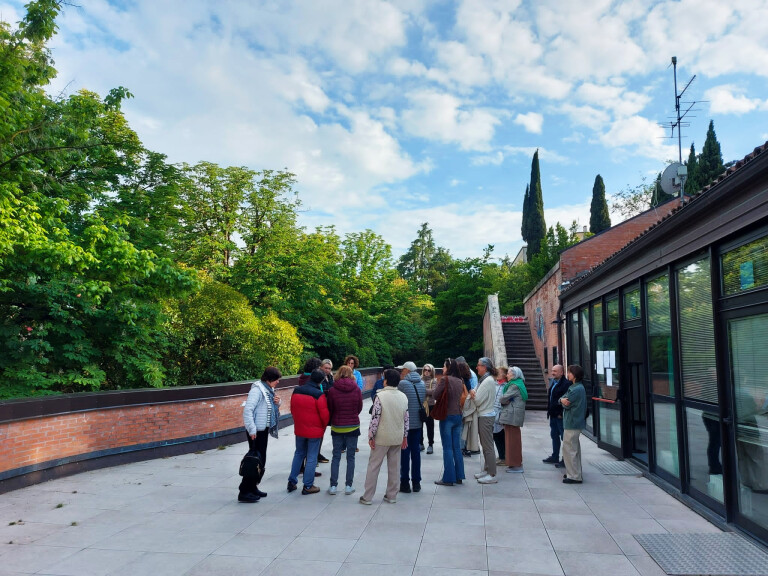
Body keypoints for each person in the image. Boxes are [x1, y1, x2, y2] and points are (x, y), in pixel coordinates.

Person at [360, 369, 409, 505]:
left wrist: (371, 436)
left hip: (382, 437)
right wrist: (405, 435)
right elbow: (406, 419)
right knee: (394, 467)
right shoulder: (403, 397)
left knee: (374, 466)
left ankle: (368, 496)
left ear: (385, 381)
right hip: (397, 436)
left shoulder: (380, 397)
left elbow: (375, 418)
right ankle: (392, 495)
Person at [238, 366, 282, 503]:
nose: (278, 382)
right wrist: (252, 430)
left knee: (260, 460)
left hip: (263, 430)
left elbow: (271, 407)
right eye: (276, 379)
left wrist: (278, 402)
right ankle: (244, 491)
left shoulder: (268, 390)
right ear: (269, 379)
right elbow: (248, 411)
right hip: (256, 431)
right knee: (254, 460)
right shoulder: (257, 390)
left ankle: (253, 487)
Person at [287, 369, 330, 495]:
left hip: (300, 428)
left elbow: (292, 409)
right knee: (311, 457)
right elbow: (324, 415)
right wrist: (323, 427)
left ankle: (292, 481)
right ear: (321, 381)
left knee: (299, 453)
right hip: (314, 430)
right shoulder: (318, 395)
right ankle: (308, 485)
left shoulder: (296, 390)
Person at [326, 365, 363, 495]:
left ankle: (333, 486)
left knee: (336, 456)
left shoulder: (332, 390)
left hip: (337, 426)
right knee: (351, 457)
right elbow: (359, 407)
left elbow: (330, 407)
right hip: (353, 425)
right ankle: (348, 486)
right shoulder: (356, 389)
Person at [434, 358, 466, 486]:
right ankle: (459, 475)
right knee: (456, 447)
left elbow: (436, 395)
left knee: (447, 448)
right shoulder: (460, 380)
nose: (442, 369)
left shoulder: (445, 379)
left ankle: (448, 478)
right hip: (458, 415)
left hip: (447, 416)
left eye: (444, 366)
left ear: (448, 367)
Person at [398, 361, 427, 493]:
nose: (401, 372)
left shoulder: (403, 384)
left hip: (405, 424)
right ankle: (417, 482)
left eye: (403, 370)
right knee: (416, 453)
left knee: (405, 452)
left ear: (408, 371)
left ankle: (404, 482)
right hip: (418, 424)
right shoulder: (422, 384)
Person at [471, 357, 498, 483]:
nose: (477, 367)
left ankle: (492, 474)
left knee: (487, 446)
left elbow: (477, 400)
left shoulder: (487, 381)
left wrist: (472, 393)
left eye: (479, 365)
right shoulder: (485, 380)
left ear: (485, 367)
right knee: (486, 445)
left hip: (486, 416)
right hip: (485, 414)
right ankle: (487, 470)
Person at [299, 357, 329, 466]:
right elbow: (318, 396)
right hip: (313, 415)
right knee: (311, 443)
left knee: (301, 446)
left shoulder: (302, 378)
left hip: (301, 415)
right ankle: (311, 464)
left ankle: (301, 466)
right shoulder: (313, 380)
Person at [560, 364, 587, 484]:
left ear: (575, 375)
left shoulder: (575, 389)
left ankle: (574, 475)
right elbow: (562, 399)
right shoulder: (576, 387)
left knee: (570, 449)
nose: (568, 374)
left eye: (570, 372)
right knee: (573, 449)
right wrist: (561, 400)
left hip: (572, 422)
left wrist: (561, 400)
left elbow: (567, 403)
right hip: (574, 422)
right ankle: (574, 472)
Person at [499, 366, 527, 473]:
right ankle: (513, 463)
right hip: (513, 416)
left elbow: (502, 398)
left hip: (512, 417)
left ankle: (516, 465)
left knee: (512, 441)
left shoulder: (514, 385)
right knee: (512, 440)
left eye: (509, 373)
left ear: (514, 375)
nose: (507, 375)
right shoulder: (518, 384)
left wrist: (505, 400)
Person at [543, 364, 570, 467]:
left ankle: (565, 459)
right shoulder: (553, 382)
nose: (552, 373)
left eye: (555, 371)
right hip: (552, 415)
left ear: (561, 372)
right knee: (554, 435)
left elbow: (567, 400)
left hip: (560, 416)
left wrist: (560, 413)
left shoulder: (566, 384)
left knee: (564, 437)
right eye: (552, 370)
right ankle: (555, 456)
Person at [422, 363, 437, 454]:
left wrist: (422, 390)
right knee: (419, 425)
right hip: (421, 405)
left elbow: (434, 392)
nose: (426, 372)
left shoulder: (434, 380)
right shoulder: (419, 379)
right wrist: (428, 391)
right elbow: (430, 391)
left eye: (428, 370)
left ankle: (430, 444)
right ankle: (420, 443)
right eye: (425, 370)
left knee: (430, 426)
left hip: (430, 405)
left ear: (432, 372)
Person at [493, 366, 507, 464]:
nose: (497, 374)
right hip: (494, 413)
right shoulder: (495, 384)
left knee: (501, 436)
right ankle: (501, 455)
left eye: (499, 372)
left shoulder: (506, 386)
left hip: (501, 413)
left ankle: (504, 457)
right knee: (495, 435)